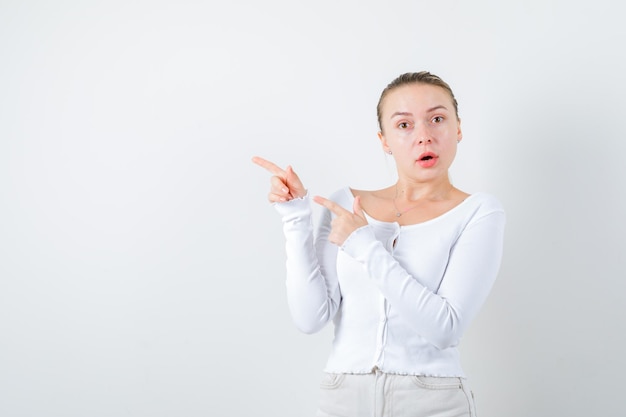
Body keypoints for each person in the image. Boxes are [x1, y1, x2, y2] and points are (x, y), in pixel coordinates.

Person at [252, 71, 505, 417]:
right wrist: (294, 216)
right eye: (404, 125)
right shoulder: (346, 203)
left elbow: (444, 329)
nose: (424, 136)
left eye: (437, 119)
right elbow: (310, 318)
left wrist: (365, 246)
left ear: (458, 128)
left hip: (433, 401)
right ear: (384, 140)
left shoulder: (478, 212)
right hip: (343, 397)